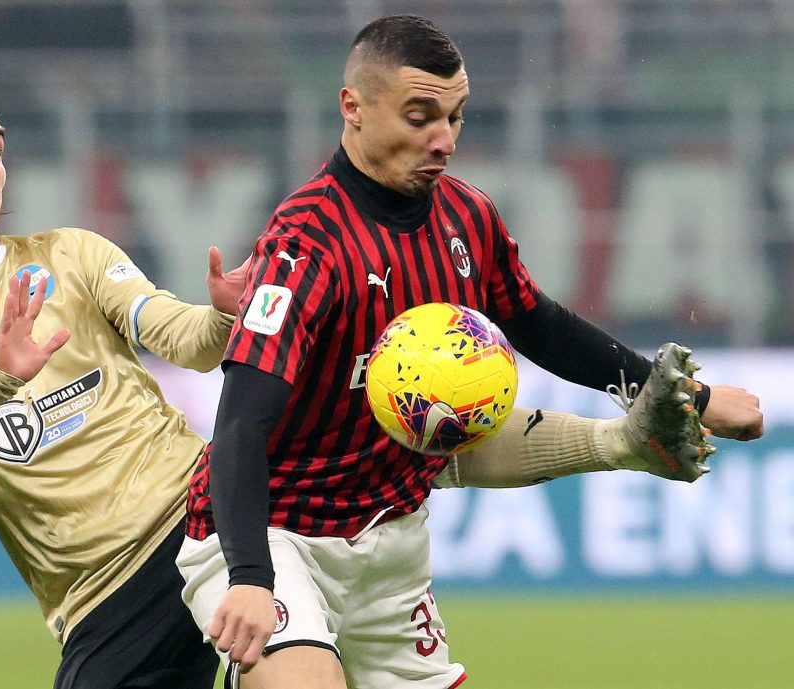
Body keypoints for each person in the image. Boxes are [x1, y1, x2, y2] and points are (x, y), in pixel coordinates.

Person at [176, 14, 764, 689]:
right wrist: (250, 576)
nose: (444, 140)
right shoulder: (307, 243)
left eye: (455, 117)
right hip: (276, 532)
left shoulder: (467, 217)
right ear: (353, 108)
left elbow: (541, 326)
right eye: (421, 116)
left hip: (391, 534)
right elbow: (240, 425)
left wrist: (693, 395)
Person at [0, 88, 249, 689]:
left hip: (199, 512)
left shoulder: (71, 254)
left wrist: (220, 316)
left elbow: (186, 341)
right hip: (100, 594)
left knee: (287, 665)